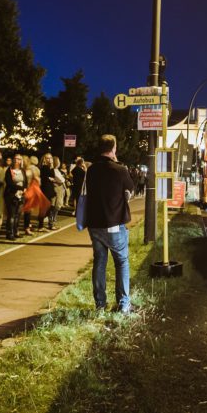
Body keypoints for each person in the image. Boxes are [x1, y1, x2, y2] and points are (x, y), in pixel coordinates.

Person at [84, 134, 135, 314]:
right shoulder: (120, 170)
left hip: (94, 225)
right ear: (113, 148)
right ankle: (123, 304)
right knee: (121, 261)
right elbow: (130, 191)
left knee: (99, 261)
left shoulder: (90, 170)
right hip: (113, 224)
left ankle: (100, 305)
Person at [4, 154, 27, 238]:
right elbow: (9, 183)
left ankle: (16, 231)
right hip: (11, 194)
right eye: (16, 159)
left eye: (19, 159)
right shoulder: (9, 170)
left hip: (21, 195)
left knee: (18, 214)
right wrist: (20, 188)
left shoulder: (22, 170)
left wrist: (24, 188)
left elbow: (25, 181)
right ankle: (10, 232)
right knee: (12, 214)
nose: (17, 161)